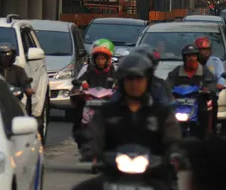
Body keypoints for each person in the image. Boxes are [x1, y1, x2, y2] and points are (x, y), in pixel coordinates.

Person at [72, 53, 183, 190]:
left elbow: (173, 140)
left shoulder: (161, 114)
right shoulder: (107, 112)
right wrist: (90, 149)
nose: (134, 84)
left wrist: (175, 154)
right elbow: (95, 135)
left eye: (139, 79)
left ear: (147, 80)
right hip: (113, 176)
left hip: (153, 176)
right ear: (122, 81)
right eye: (129, 79)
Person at [70, 41, 116, 150]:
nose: (100, 61)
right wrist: (80, 88)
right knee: (78, 116)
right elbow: (78, 83)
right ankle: (81, 140)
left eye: (102, 59)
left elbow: (121, 83)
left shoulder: (114, 71)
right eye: (98, 58)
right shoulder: (88, 70)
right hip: (89, 100)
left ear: (107, 60)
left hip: (108, 102)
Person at [166, 44, 218, 137]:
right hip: (180, 102)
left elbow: (213, 83)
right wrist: (168, 92)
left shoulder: (204, 70)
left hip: (198, 100)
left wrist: (207, 89)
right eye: (188, 56)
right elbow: (168, 83)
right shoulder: (177, 71)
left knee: (205, 111)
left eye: (193, 55)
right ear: (184, 58)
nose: (191, 58)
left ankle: (205, 135)